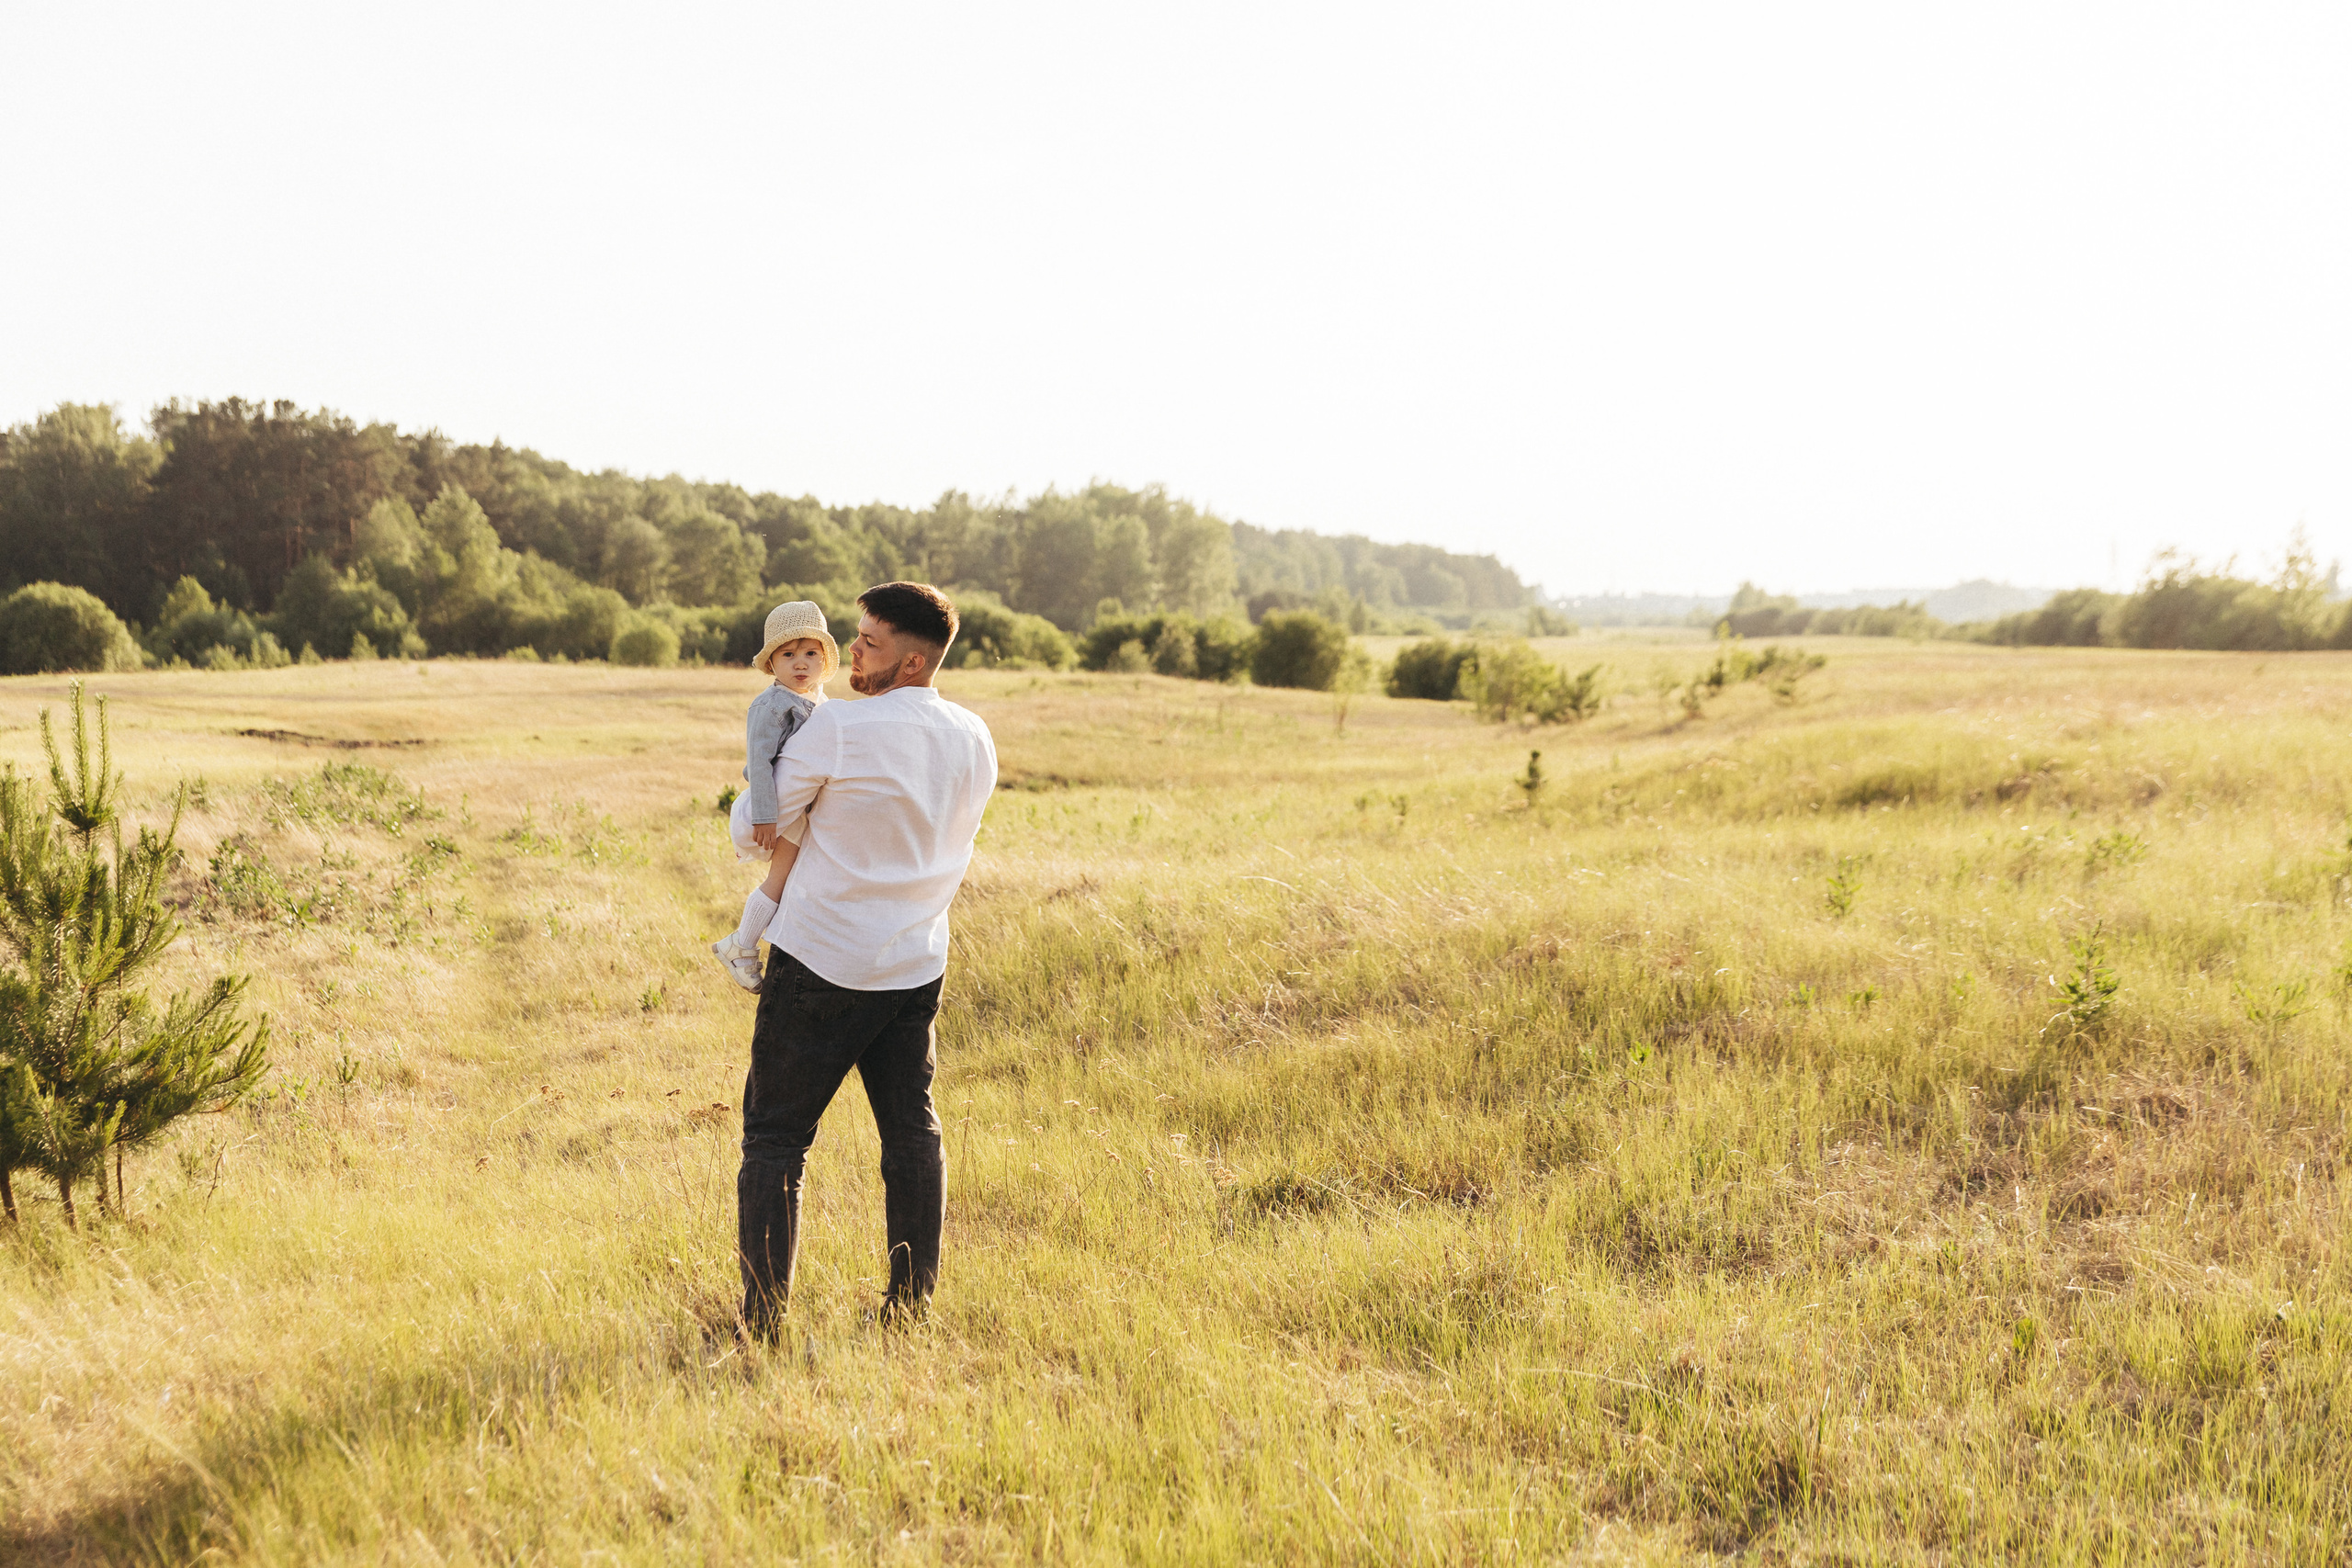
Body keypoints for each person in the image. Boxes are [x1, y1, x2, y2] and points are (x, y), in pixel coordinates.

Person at [736, 581, 997, 1337]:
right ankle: (910, 1309)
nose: (850, 650)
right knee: (911, 1131)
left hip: (821, 959)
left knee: (776, 1138)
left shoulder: (838, 728)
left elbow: (751, 830)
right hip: (914, 962)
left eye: (870, 642)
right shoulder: (974, 734)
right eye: (855, 635)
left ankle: (763, 1324)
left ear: (912, 662)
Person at [712, 601, 838, 992]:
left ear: (824, 659)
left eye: (811, 653)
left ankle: (752, 943)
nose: (801, 663)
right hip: (779, 810)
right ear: (771, 663)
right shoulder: (771, 705)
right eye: (788, 655)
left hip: (803, 810)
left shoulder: (819, 701)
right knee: (779, 878)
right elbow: (759, 764)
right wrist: (765, 816)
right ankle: (741, 944)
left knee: (794, 878)